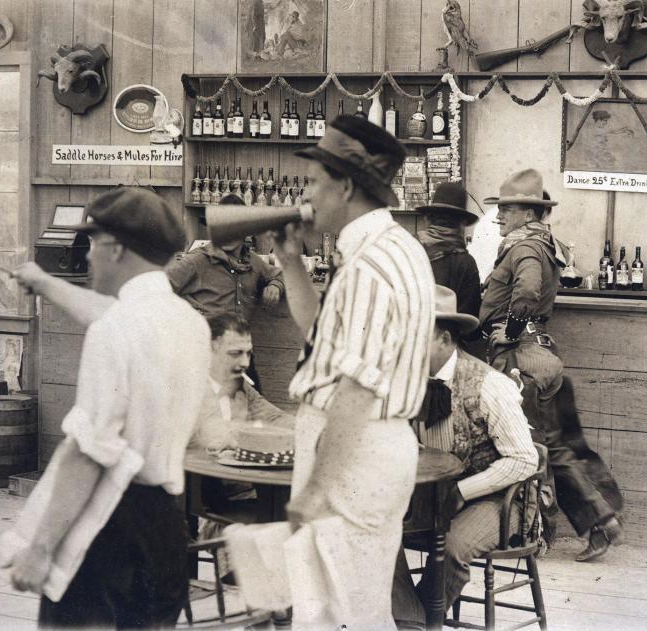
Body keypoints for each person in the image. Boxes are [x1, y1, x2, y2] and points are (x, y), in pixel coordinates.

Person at [6, 187, 211, 627]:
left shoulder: (114, 328)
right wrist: (46, 283)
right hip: (167, 530)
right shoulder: (192, 324)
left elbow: (88, 452)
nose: (85, 258)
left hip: (109, 536)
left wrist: (40, 549)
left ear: (115, 248)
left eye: (92, 244)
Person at [261, 115, 435, 628]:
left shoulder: (368, 268)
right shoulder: (394, 249)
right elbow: (324, 335)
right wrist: (291, 262)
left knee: (325, 615)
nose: (307, 193)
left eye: (315, 180)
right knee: (358, 611)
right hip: (371, 446)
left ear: (347, 185)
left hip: (354, 448)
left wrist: (317, 487)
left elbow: (355, 390)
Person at [478, 169, 623, 562]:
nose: (499, 216)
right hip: (538, 355)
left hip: (522, 358)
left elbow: (526, 292)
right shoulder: (541, 244)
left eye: (507, 209)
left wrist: (509, 331)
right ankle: (598, 520)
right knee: (555, 445)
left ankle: (593, 523)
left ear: (528, 214)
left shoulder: (524, 248)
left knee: (539, 448)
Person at [392, 285, 538, 629]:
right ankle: (411, 618)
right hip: (436, 494)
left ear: (444, 339)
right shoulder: (409, 381)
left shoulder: (490, 385)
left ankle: (419, 621)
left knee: (454, 546)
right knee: (376, 530)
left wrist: (462, 491)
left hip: (500, 500)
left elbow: (523, 459)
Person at [191, 312, 294, 582]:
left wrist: (318, 429)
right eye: (235, 353)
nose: (245, 362)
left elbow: (276, 418)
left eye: (248, 354)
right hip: (200, 499)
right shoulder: (186, 388)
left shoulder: (243, 388)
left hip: (245, 494)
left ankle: (270, 610)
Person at [166, 193, 284, 391]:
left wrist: (275, 285)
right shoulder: (197, 261)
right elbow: (159, 286)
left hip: (241, 355)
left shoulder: (254, 261)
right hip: (204, 355)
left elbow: (279, 274)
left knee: (251, 407)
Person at [415, 182, 482, 320]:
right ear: (461, 224)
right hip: (443, 337)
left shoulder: (408, 246)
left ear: (428, 218)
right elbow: (469, 315)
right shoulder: (465, 262)